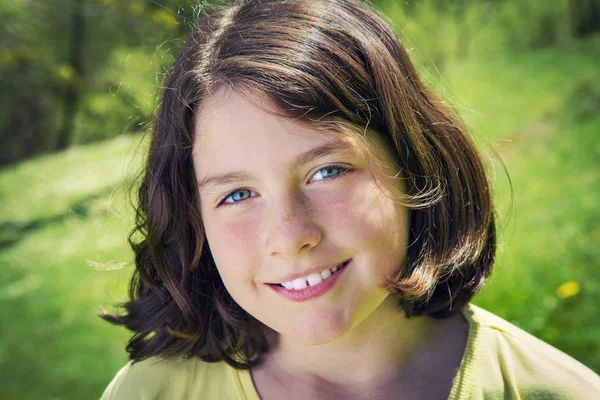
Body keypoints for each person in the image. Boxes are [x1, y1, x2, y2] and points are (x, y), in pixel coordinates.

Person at [100, 0, 600, 398]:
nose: (291, 237)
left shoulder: (552, 391)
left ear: (412, 163)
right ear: (194, 220)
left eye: (327, 170)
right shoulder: (151, 392)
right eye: (238, 194)